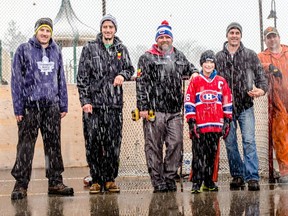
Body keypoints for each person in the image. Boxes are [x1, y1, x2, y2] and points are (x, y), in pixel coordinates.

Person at [10, 18, 73, 200]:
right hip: (30, 106)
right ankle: (21, 184)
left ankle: (55, 182)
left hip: (51, 106)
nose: (45, 34)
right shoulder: (23, 50)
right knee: (25, 146)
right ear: (36, 31)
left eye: (48, 31)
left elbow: (61, 78)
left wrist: (63, 103)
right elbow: (16, 81)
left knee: (53, 145)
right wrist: (18, 108)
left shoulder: (56, 51)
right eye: (42, 30)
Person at [136, 20, 198, 193]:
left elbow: (191, 67)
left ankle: (169, 177)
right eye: (161, 37)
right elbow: (141, 84)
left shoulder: (178, 55)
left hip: (174, 111)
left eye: (167, 37)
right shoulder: (147, 57)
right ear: (157, 39)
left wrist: (194, 72)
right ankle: (157, 181)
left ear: (171, 39)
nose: (164, 40)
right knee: (153, 146)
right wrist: (142, 107)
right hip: (153, 111)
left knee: (176, 143)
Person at [77, 14, 134, 194]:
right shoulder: (90, 48)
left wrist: (122, 75)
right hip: (93, 106)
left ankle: (109, 179)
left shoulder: (121, 49)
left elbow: (130, 68)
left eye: (111, 27)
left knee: (112, 143)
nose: (108, 30)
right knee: (93, 142)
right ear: (101, 29)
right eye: (105, 27)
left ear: (115, 29)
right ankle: (96, 179)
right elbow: (82, 77)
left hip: (114, 106)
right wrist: (85, 101)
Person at [216, 22, 268, 191]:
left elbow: (261, 77)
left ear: (241, 35)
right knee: (230, 143)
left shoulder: (250, 55)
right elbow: (210, 76)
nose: (234, 35)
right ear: (226, 35)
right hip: (226, 109)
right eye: (231, 32)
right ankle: (238, 175)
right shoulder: (218, 57)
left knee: (249, 141)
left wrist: (262, 89)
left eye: (237, 32)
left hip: (246, 106)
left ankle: (252, 177)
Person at [184, 50, 233, 193]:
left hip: (215, 125)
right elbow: (189, 101)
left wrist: (227, 120)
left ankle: (208, 181)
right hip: (199, 126)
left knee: (212, 155)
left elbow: (227, 101)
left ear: (214, 64)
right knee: (198, 154)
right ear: (201, 63)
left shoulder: (220, 81)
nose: (209, 64)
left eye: (211, 62)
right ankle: (196, 183)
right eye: (206, 61)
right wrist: (191, 121)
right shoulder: (196, 80)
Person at [258, 27, 288, 184]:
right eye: (268, 37)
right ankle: (285, 171)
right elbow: (253, 64)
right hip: (277, 101)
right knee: (280, 135)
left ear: (279, 37)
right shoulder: (263, 56)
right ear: (265, 40)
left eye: (274, 36)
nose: (271, 39)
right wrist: (268, 66)